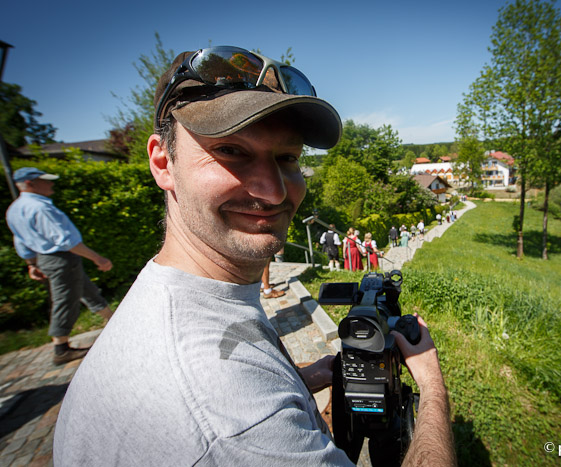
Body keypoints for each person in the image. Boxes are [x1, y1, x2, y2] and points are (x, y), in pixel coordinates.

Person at [54, 46, 455, 466]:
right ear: (163, 162)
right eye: (231, 151)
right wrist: (431, 386)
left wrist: (296, 383)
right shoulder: (233, 423)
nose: (274, 191)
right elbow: (226, 421)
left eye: (287, 158)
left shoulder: (175, 298)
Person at [5, 167, 114, 366]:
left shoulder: (14, 209)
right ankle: (61, 348)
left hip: (44, 258)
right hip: (60, 258)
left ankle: (113, 321)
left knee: (86, 290)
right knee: (65, 300)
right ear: (30, 183)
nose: (51, 183)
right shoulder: (40, 208)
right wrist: (98, 259)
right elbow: (67, 241)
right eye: (45, 180)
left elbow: (20, 240)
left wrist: (31, 264)